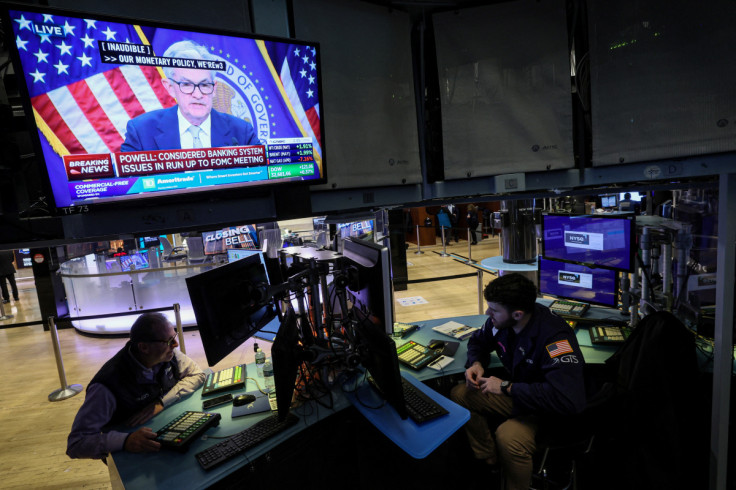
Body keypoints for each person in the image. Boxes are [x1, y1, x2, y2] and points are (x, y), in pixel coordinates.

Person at [450, 274, 586, 490]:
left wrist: (506, 387)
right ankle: (489, 459)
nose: (487, 313)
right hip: (519, 395)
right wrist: (475, 363)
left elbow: (567, 400)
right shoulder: (501, 322)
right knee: (460, 394)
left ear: (517, 314)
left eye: (493, 310)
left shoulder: (555, 339)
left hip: (548, 412)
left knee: (508, 437)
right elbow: (478, 341)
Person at [67, 312, 205, 460]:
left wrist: (162, 402)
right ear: (144, 347)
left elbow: (198, 375)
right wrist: (125, 441)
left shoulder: (167, 354)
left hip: (162, 432)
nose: (175, 344)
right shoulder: (106, 386)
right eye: (169, 340)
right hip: (133, 455)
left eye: (174, 337)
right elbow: (76, 443)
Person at [120, 40, 260, 152]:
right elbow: (122, 184)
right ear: (170, 87)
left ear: (214, 88)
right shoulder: (141, 131)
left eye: (204, 85)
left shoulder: (242, 132)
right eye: (187, 85)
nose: (198, 95)